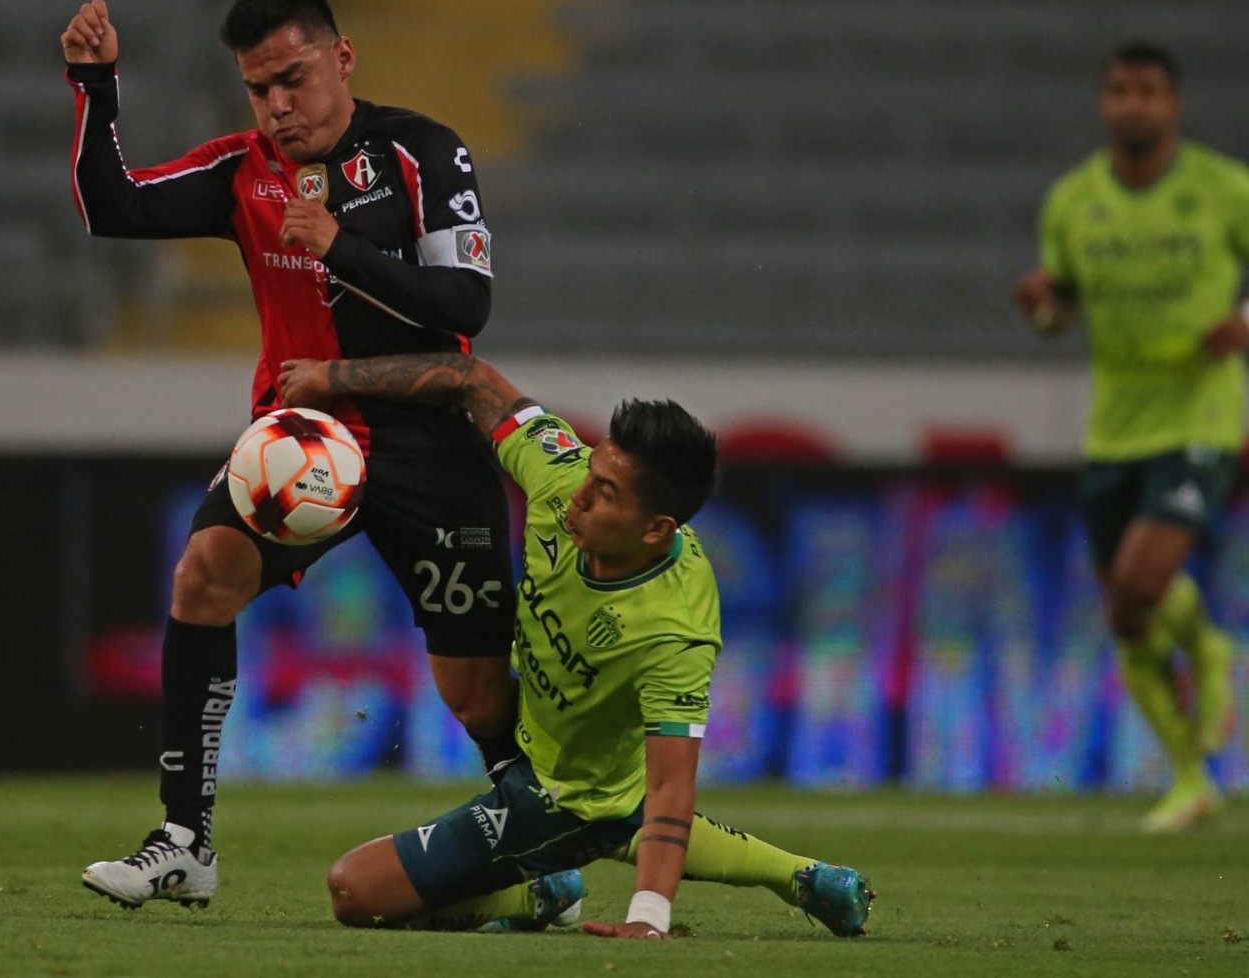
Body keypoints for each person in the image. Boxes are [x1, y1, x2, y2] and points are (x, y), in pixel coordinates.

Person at [63, 0, 519, 908]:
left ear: (341, 58)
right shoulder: (243, 170)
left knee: (473, 691)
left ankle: (542, 817)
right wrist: (96, 89)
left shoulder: (424, 152)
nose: (277, 106)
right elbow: (113, 205)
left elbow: (467, 306)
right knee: (202, 577)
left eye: (293, 78)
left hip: (430, 442)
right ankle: (185, 837)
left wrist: (338, 245)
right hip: (304, 443)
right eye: (258, 88)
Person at [278, 353, 874, 938]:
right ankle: (805, 877)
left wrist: (649, 917)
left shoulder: (674, 631)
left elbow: (669, 786)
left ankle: (536, 891)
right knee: (607, 797)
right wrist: (332, 375)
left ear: (656, 529)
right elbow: (471, 379)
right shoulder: (562, 473)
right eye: (592, 472)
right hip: (542, 738)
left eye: (606, 492)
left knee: (353, 890)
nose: (579, 498)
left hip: (566, 799)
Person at [1014, 43, 1247, 832]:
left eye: (1149, 91)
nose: (1133, 105)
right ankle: (1191, 775)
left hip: (1201, 414)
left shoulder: (1223, 189)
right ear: (1104, 102)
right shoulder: (1074, 202)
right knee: (1124, 616)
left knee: (1142, 584)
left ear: (1173, 105)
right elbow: (1059, 316)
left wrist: (1244, 322)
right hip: (1115, 426)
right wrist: (1041, 306)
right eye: (1120, 91)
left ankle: (1211, 652)